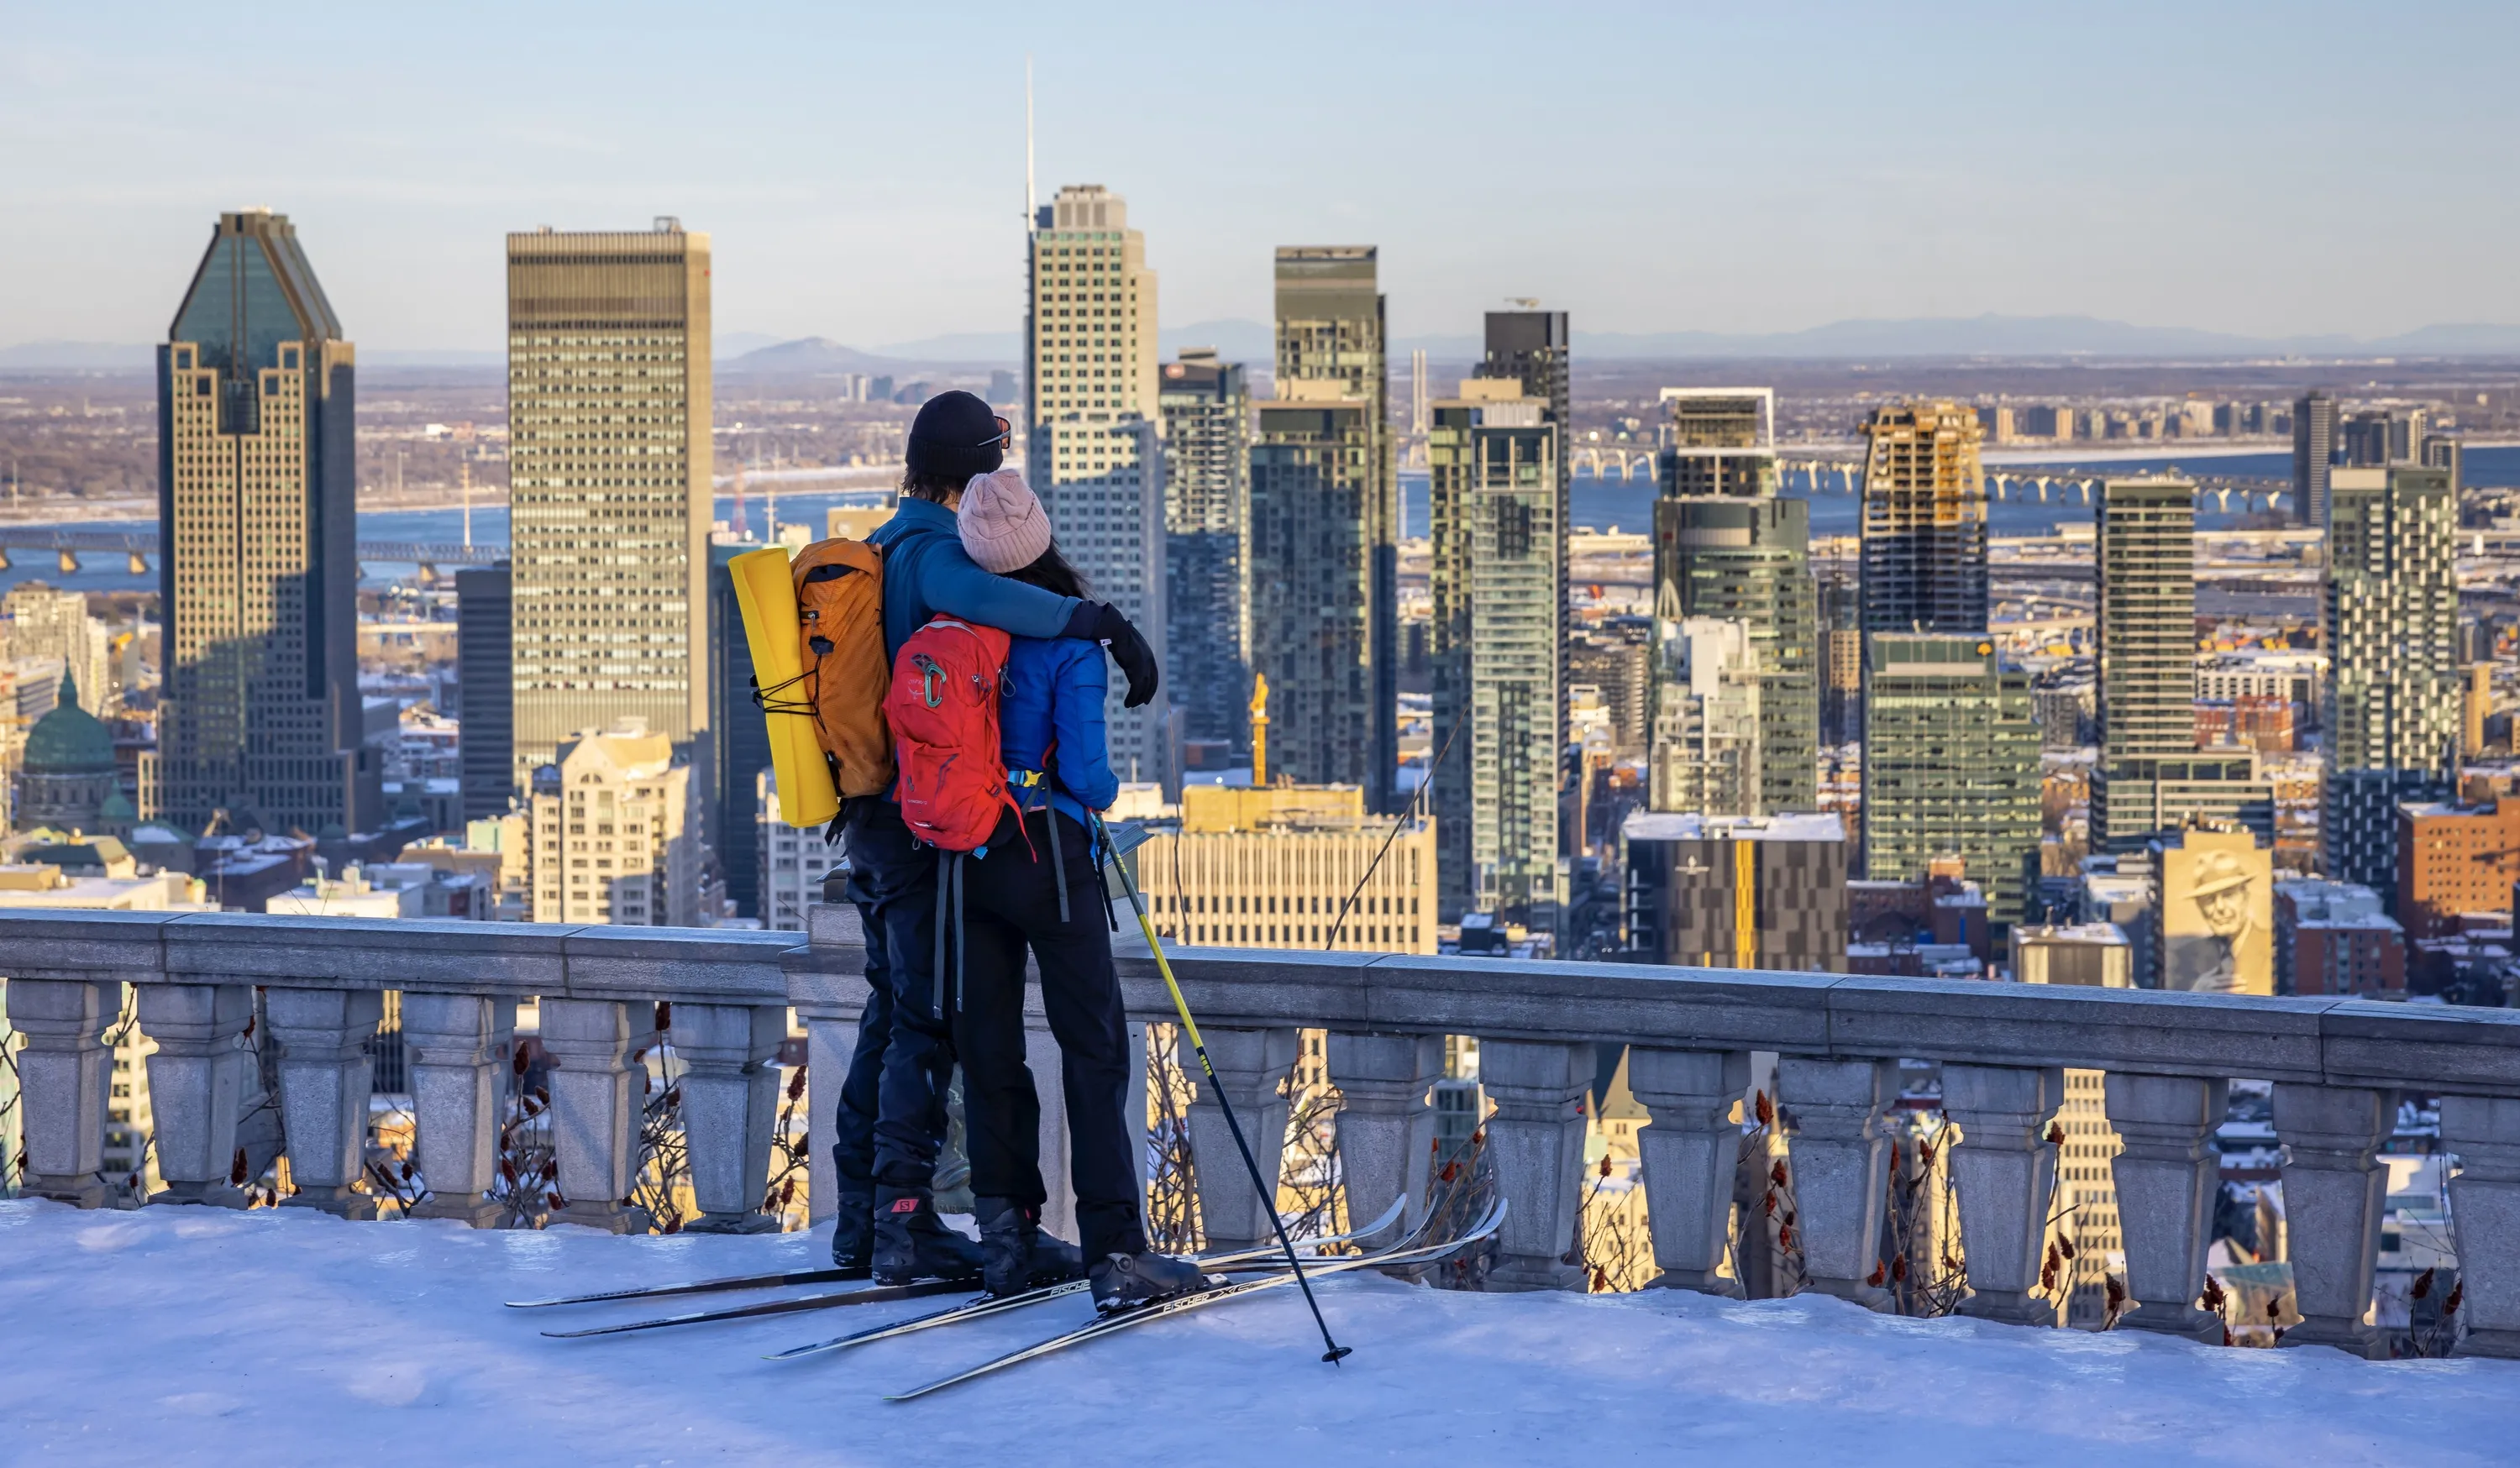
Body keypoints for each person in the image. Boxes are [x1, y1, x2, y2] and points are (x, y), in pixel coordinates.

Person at [827, 391, 1163, 1285]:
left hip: (872, 816)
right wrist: (1095, 620)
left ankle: (869, 1218)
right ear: (981, 471)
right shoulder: (939, 554)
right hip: (933, 826)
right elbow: (985, 596)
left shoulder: (882, 541)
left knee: (894, 1014)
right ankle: (906, 1228)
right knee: (927, 1026)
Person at [949, 469, 1207, 1308]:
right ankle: (1115, 1249)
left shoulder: (954, 622)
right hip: (1051, 856)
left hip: (967, 856)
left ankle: (1006, 1238)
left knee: (990, 1051)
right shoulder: (1069, 639)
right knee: (1093, 1049)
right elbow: (1092, 779)